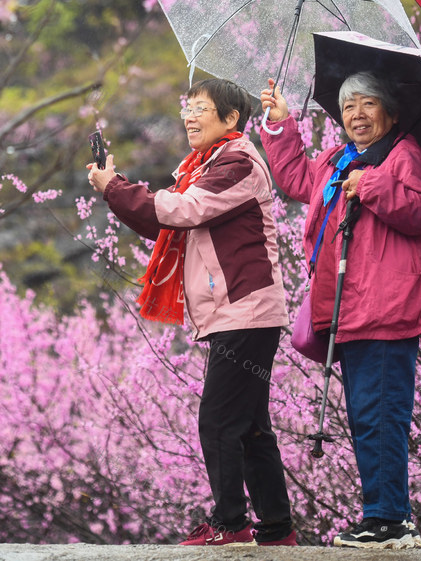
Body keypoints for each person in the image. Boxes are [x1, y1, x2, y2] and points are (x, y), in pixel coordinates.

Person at [87, 78, 296, 546]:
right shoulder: (208, 165)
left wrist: (115, 187)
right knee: (249, 425)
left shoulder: (238, 162)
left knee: (219, 420)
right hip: (238, 312)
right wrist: (114, 187)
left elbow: (182, 210)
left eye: (201, 108)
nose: (189, 116)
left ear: (230, 119)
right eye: (188, 107)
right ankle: (277, 530)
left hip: (245, 308)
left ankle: (231, 524)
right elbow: (167, 222)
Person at [260, 72, 421, 550]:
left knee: (381, 411)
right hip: (354, 309)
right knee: (367, 413)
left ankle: (390, 520)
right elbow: (300, 179)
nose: (357, 116)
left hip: (387, 308)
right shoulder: (342, 159)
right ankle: (382, 516)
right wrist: (282, 126)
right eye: (347, 108)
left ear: (392, 112)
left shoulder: (405, 155)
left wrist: (375, 185)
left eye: (367, 104)